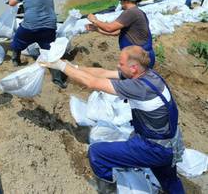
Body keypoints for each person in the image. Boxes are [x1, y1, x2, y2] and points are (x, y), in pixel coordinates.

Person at [42, 46, 185, 194]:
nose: (118, 65)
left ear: (134, 67)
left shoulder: (138, 88)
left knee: (97, 154)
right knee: (170, 180)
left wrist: (60, 66)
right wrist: (74, 67)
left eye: (121, 64)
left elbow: (92, 83)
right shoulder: (149, 76)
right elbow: (103, 74)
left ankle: (108, 191)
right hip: (170, 143)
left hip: (153, 148)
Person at [8, 0, 67, 88]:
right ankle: (57, 80)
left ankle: (16, 60)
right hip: (49, 26)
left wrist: (11, 0)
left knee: (17, 39)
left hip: (30, 25)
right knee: (51, 52)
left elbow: (12, 3)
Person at [86, 0, 156, 68]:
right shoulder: (138, 12)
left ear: (126, 0)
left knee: (135, 80)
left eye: (121, 0)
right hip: (142, 56)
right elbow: (115, 32)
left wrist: (94, 20)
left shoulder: (131, 12)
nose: (120, 3)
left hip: (138, 59)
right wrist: (97, 29)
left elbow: (109, 28)